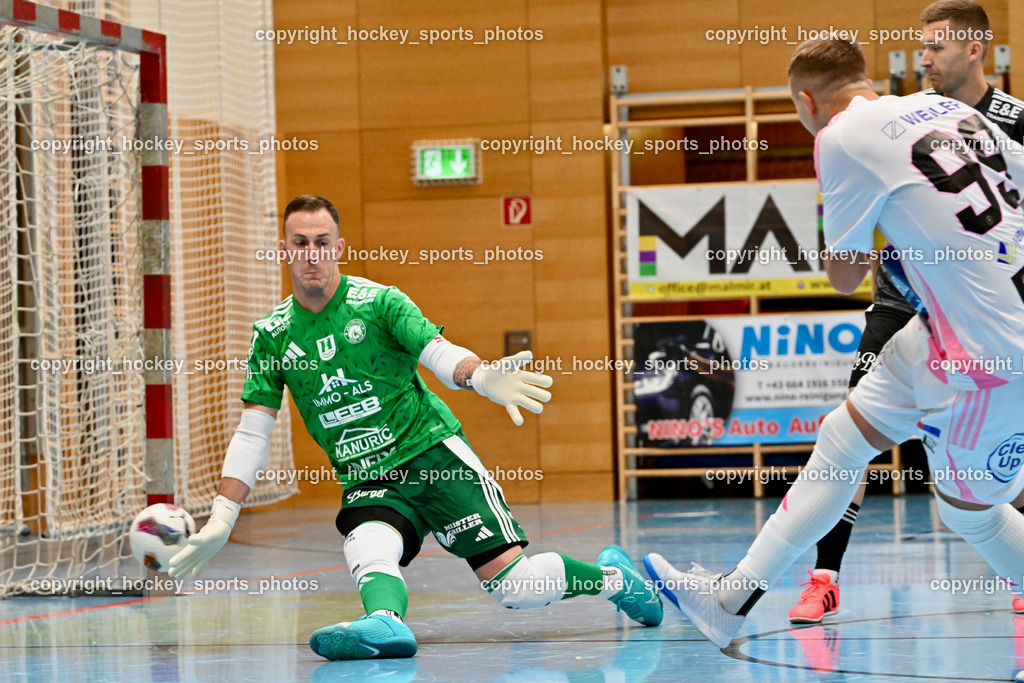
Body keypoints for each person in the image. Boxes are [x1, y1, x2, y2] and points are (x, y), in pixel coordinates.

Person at [644, 38, 1024, 655]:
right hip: (950, 327)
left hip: (992, 349)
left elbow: (845, 275)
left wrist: (896, 248)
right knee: (841, 440)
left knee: (970, 511)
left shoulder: (839, 137)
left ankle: (733, 598)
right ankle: (731, 599)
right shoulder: (954, 111)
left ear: (807, 101)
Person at [166, 195, 662, 660]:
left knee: (518, 589)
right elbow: (254, 432)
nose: (312, 254)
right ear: (283, 250)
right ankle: (384, 622)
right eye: (300, 243)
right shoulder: (273, 335)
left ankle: (614, 579)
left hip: (433, 457)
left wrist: (485, 377)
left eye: (322, 242)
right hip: (368, 476)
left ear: (338, 247)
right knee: (366, 542)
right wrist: (222, 518)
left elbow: (438, 353)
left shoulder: (379, 304)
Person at [788, 0, 1024, 624]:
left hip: (986, 304)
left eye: (937, 48)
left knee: (1000, 440)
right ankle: (824, 575)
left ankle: (1016, 564)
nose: (923, 59)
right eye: (920, 47)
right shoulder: (902, 114)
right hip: (903, 300)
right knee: (852, 429)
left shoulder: (1011, 120)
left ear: (975, 49)